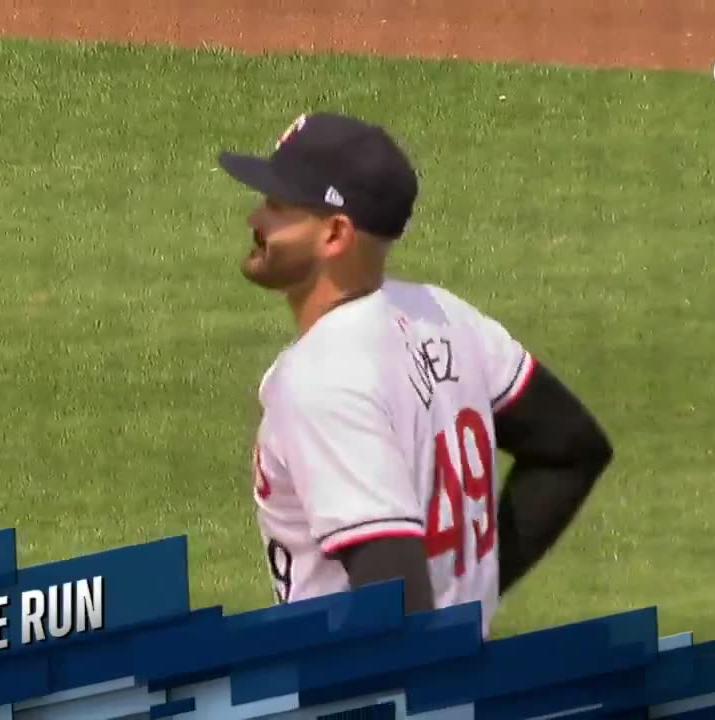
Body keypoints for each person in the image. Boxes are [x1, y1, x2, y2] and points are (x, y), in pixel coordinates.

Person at [218, 112, 613, 637]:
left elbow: (397, 603)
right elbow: (571, 448)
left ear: (335, 234)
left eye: (276, 207)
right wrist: (473, 594)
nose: (255, 218)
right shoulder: (446, 317)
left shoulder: (320, 381)